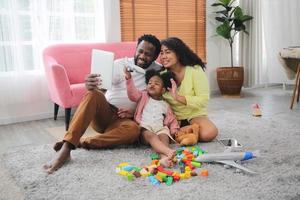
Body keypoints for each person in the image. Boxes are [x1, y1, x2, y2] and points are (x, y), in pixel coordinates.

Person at [43, 34, 162, 174]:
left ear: (155, 57)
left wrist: (135, 113)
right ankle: (66, 149)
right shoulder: (119, 64)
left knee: (133, 131)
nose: (142, 56)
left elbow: (157, 100)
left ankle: (82, 142)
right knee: (93, 94)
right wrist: (90, 84)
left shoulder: (158, 72)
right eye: (140, 51)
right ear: (136, 49)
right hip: (105, 114)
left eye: (148, 54)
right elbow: (100, 89)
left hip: (126, 121)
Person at [159, 37, 218, 142]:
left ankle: (183, 133)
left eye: (167, 52)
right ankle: (187, 132)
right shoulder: (161, 75)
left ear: (178, 53)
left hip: (194, 114)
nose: (163, 56)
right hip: (173, 117)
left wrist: (178, 98)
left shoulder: (195, 70)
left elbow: (203, 100)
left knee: (209, 133)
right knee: (156, 134)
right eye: (161, 53)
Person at [124, 68, 179, 167]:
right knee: (151, 136)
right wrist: (129, 78)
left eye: (156, 84)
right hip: (145, 128)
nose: (152, 85)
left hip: (159, 128)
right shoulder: (143, 96)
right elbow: (132, 94)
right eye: (150, 83)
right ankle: (168, 151)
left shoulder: (165, 104)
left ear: (162, 90)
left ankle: (164, 159)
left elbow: (172, 119)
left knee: (164, 137)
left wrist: (175, 130)